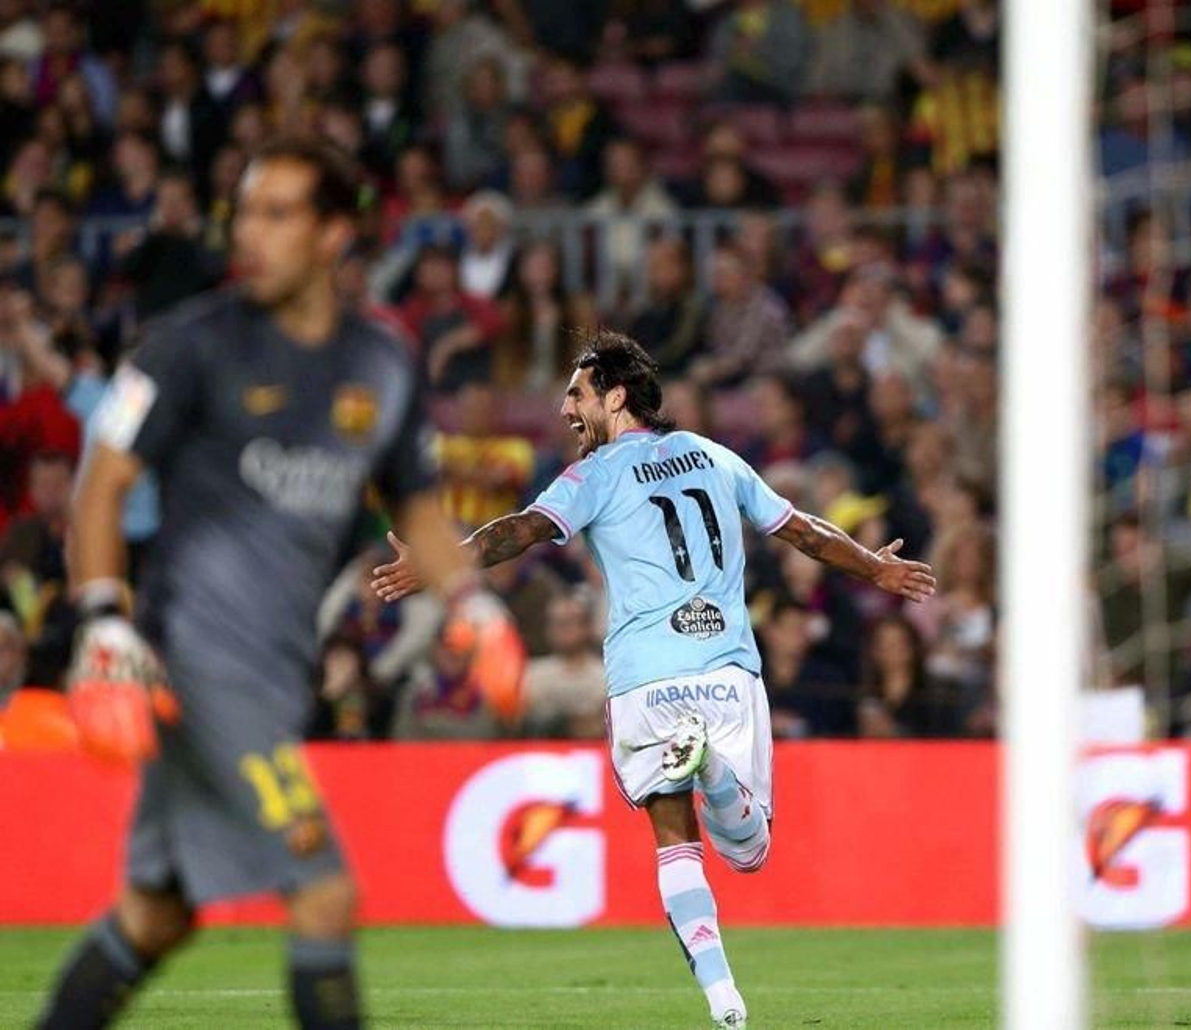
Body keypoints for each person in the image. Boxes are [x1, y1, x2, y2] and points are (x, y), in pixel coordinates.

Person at [34, 137, 524, 1030]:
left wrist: (475, 604)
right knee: (325, 892)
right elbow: (99, 484)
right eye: (244, 213)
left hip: (276, 673)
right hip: (195, 664)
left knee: (155, 917)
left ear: (336, 233)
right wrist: (103, 623)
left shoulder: (381, 362)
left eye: (277, 213)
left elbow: (415, 505)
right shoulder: (189, 346)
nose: (248, 234)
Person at [373, 331, 936, 1028]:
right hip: (726, 671)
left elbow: (518, 531)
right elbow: (804, 531)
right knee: (750, 850)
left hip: (644, 681)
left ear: (616, 396)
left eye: (577, 393)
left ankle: (724, 1002)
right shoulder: (715, 456)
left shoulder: (594, 476)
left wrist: (440, 561)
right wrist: (875, 567)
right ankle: (717, 780)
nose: (564, 408)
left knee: (676, 843)